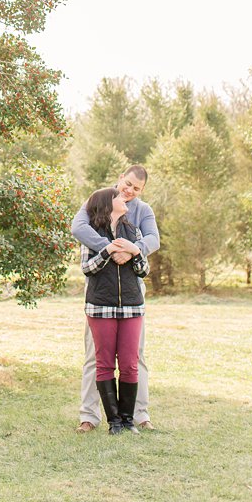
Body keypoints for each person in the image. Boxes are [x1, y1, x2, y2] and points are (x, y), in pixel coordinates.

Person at [72, 165, 159, 432]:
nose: (129, 191)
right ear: (121, 177)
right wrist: (109, 247)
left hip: (132, 292)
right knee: (96, 357)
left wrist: (133, 250)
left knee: (136, 357)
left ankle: (139, 414)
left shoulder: (143, 210)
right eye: (128, 184)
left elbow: (153, 239)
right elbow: (78, 228)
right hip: (100, 292)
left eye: (136, 188)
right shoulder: (99, 199)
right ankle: (89, 415)